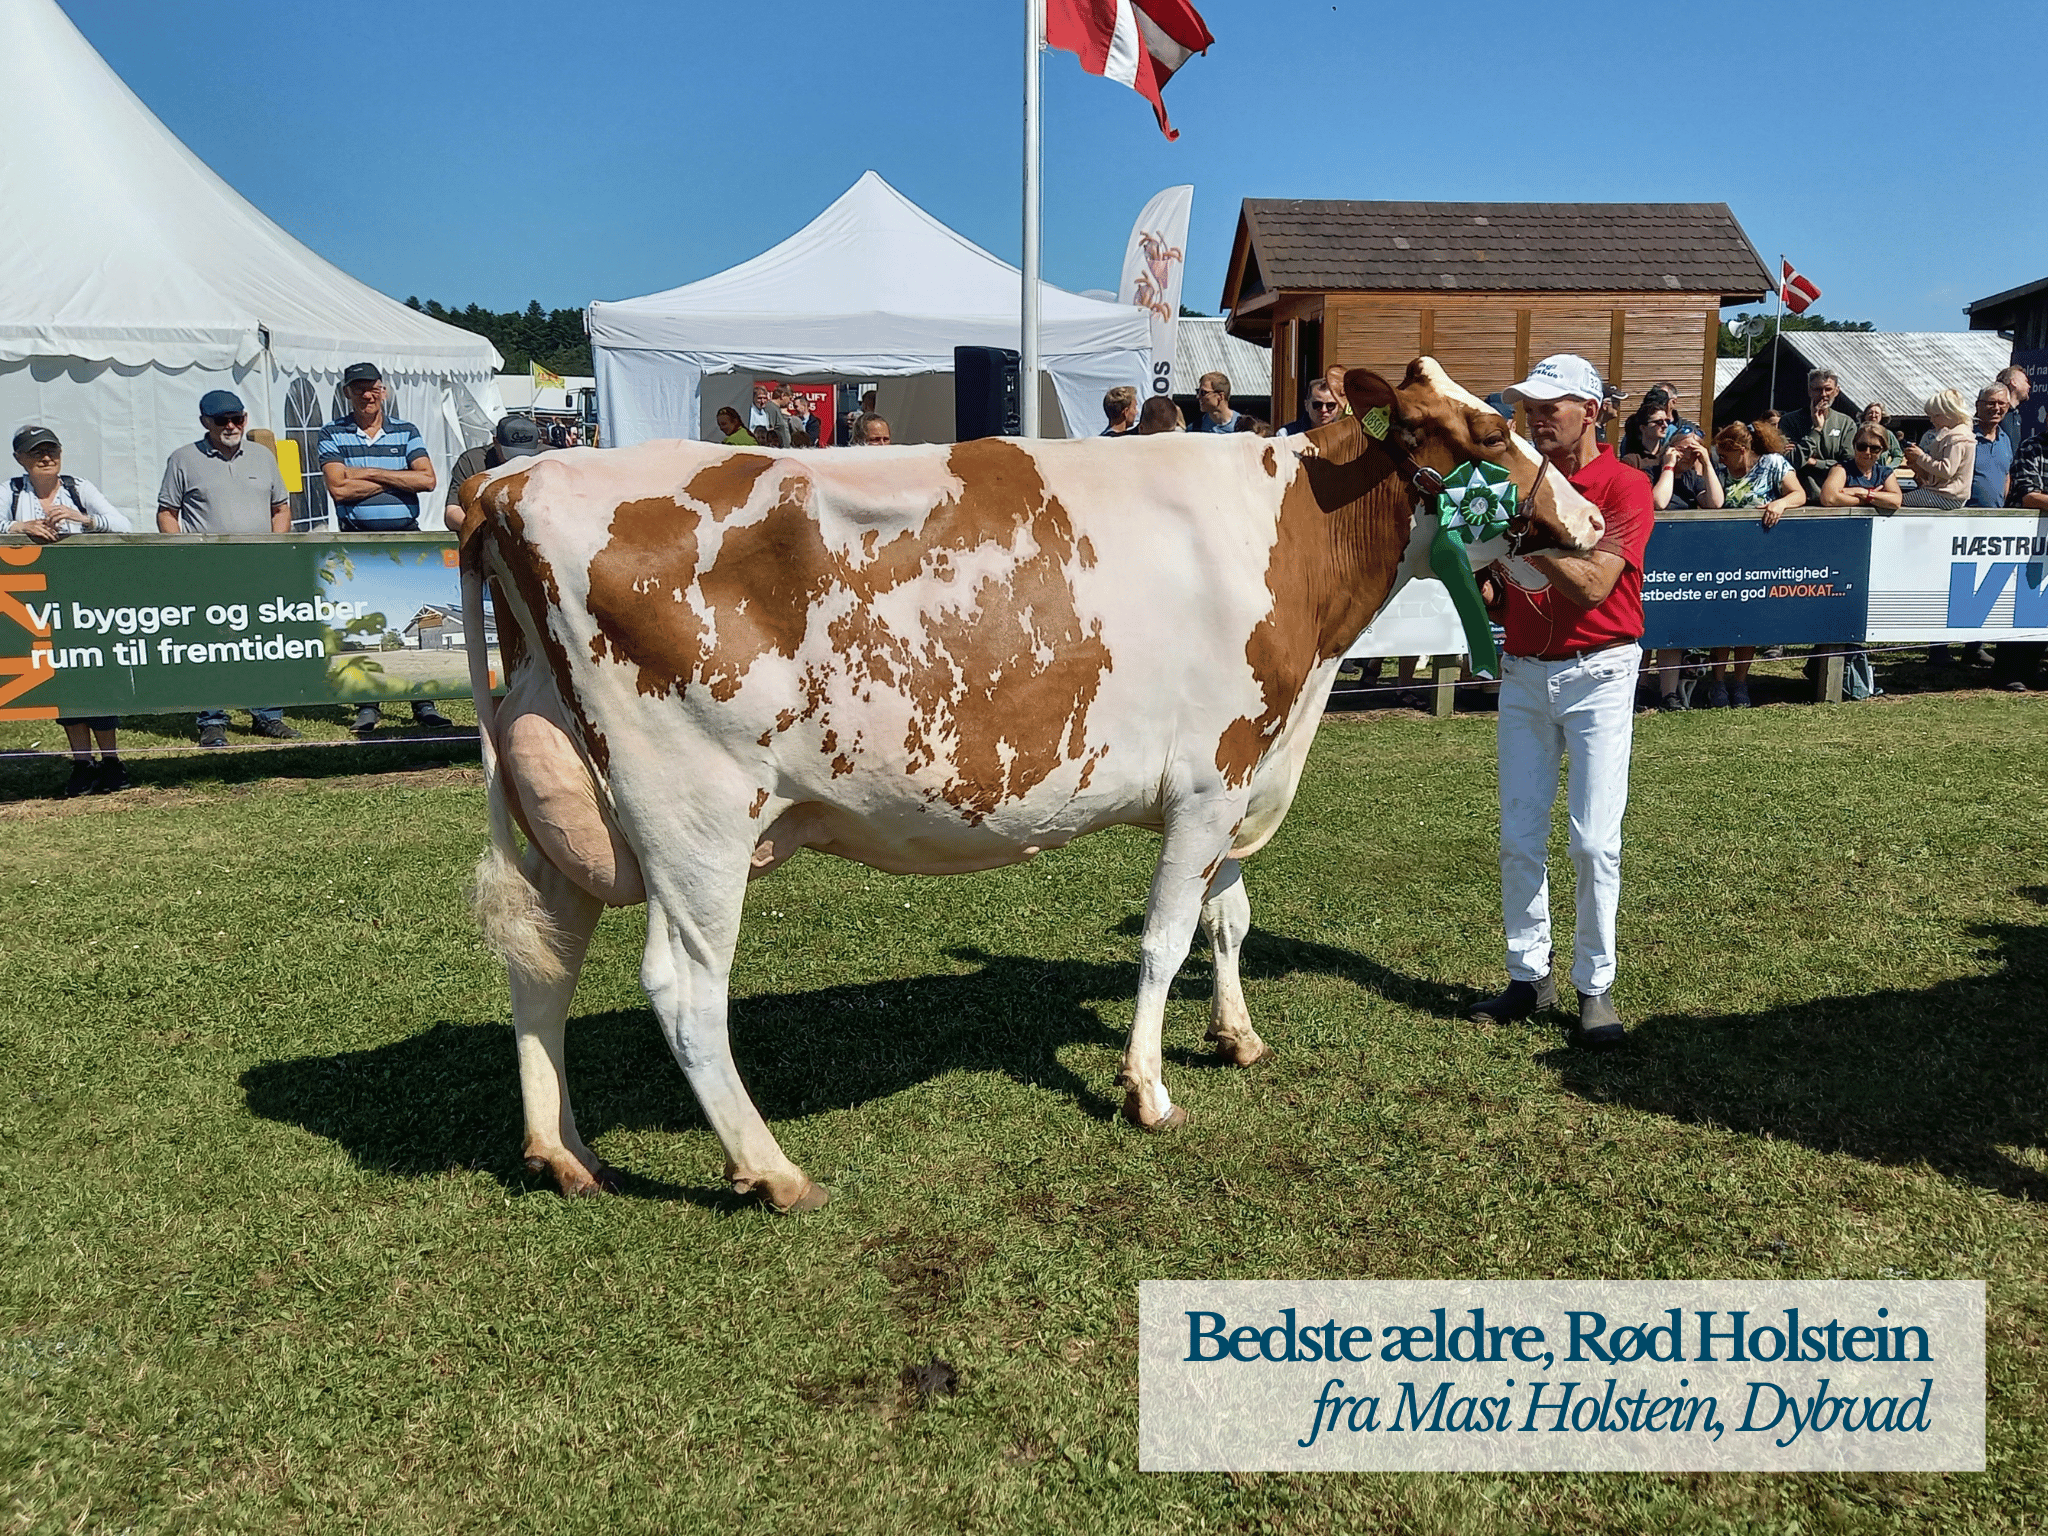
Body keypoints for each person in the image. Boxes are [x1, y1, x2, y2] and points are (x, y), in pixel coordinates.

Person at [1462, 355, 1652, 1048]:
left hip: (1600, 671)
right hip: (1524, 672)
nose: (1536, 417)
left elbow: (1597, 587)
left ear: (1591, 412)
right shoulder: (1514, 483)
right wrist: (1475, 571)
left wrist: (1526, 538)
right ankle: (1526, 974)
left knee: (1594, 840)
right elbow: (1498, 594)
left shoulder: (1624, 486)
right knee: (1519, 834)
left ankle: (1594, 987)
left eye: (1552, 405)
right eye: (1529, 406)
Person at [157, 391, 304, 748]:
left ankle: (268, 716)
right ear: (205, 422)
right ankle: (212, 720)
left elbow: (281, 507)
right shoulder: (183, 459)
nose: (231, 426)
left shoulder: (263, 456)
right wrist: (183, 553)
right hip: (206, 570)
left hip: (259, 567)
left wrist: (275, 548)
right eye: (221, 420)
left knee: (263, 642)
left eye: (237, 418)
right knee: (211, 646)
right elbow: (167, 512)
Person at [317, 362, 451, 737]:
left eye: (373, 387)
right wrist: (396, 479)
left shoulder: (406, 431)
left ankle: (423, 701)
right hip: (357, 539)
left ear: (384, 390)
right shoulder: (332, 432)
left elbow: (427, 480)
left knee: (419, 619)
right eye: (358, 388)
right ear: (347, 393)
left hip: (406, 537)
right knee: (362, 619)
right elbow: (339, 489)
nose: (367, 395)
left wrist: (368, 472)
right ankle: (367, 703)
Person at [8, 426, 135, 793]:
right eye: (36, 453)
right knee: (64, 681)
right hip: (40, 599)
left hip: (87, 597)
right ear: (21, 459)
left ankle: (112, 760)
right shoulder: (11, 492)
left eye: (52, 451)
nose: (46, 458)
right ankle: (82, 762)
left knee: (96, 674)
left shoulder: (79, 489)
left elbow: (123, 526)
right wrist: (19, 527)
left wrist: (84, 520)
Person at [1702, 420, 1805, 708]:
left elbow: (1799, 493)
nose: (1721, 458)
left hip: (1759, 555)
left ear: (1743, 449)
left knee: (1748, 623)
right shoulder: (1720, 472)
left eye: (1726, 452)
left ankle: (1741, 683)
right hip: (1724, 554)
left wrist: (1780, 504)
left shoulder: (1772, 464)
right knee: (1723, 621)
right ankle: (1718, 682)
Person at [444, 415, 545, 534]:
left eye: (527, 454)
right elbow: (452, 512)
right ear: (495, 442)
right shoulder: (472, 461)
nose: (518, 460)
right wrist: (484, 532)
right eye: (511, 455)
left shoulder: (550, 459)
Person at [1780, 369, 1860, 500]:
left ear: (1836, 391)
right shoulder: (1790, 421)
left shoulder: (1846, 423)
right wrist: (1816, 430)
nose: (1823, 394)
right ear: (1809, 391)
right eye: (1817, 389)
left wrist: (1814, 462)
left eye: (1828, 389)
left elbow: (1848, 464)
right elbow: (1792, 462)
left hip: (1836, 496)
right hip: (1800, 497)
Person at [1901, 389, 1975, 509]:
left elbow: (1946, 471)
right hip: (1950, 495)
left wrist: (1921, 457)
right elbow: (1939, 476)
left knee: (1896, 500)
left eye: (1936, 416)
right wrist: (1917, 465)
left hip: (1947, 496)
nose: (1932, 420)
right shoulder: (1959, 435)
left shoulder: (1956, 438)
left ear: (1950, 413)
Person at [1818, 428, 1905, 511]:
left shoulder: (1885, 473)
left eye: (1874, 448)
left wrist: (1862, 492)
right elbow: (1828, 498)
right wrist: (1873, 499)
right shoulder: (1841, 469)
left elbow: (1896, 501)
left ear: (1882, 451)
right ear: (1854, 446)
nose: (1867, 452)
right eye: (1861, 447)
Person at [1967, 385, 2014, 508]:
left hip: (1994, 517)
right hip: (1964, 517)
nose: (1996, 408)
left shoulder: (2005, 439)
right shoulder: (1966, 437)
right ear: (1978, 405)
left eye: (2002, 403)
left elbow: (2006, 476)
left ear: (2008, 406)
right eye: (1991, 403)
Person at [1277, 378, 1343, 436]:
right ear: (1306, 405)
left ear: (1338, 406)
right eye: (1317, 405)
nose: (1323, 410)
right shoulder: (1286, 434)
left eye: (1330, 405)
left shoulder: (1346, 435)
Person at [1996, 364, 2031, 450]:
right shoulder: (1996, 412)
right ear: (2014, 382)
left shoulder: (2016, 415)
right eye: (2026, 381)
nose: (2029, 386)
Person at [746, 383, 789, 447]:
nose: (762, 401)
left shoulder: (765, 413)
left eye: (764, 398)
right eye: (759, 398)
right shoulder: (750, 412)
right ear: (753, 398)